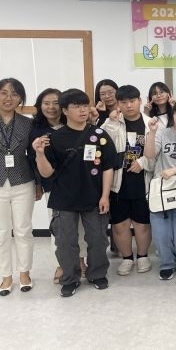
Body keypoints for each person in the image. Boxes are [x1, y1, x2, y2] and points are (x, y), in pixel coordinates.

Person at [33, 88, 116, 297]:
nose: (82, 110)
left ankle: (97, 274)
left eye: (84, 105)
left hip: (94, 197)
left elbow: (108, 167)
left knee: (98, 238)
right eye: (76, 106)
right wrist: (40, 154)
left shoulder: (99, 135)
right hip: (63, 198)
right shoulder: (54, 138)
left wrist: (105, 195)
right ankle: (70, 278)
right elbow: (47, 172)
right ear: (65, 111)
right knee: (65, 242)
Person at [28, 88, 87, 284]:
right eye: (46, 103)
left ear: (63, 107)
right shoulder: (35, 130)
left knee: (80, 227)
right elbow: (32, 160)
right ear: (40, 106)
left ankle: (80, 261)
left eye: (55, 103)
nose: (51, 107)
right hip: (52, 185)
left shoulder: (74, 124)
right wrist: (37, 183)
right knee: (58, 228)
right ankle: (62, 264)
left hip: (78, 183)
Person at [101, 85, 154, 276]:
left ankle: (143, 256)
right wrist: (111, 122)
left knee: (142, 223)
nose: (129, 105)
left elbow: (158, 154)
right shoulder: (112, 122)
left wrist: (143, 162)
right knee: (120, 224)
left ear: (140, 101)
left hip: (142, 181)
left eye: (132, 101)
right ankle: (127, 258)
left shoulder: (150, 123)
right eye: (124, 102)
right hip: (118, 182)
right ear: (118, 104)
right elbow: (102, 144)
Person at [144, 98, 176, 281]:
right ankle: (166, 264)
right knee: (160, 232)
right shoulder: (162, 133)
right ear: (172, 115)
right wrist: (151, 133)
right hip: (161, 189)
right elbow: (149, 155)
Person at [0, 78, 37, 296]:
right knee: (1, 232)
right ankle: (6, 275)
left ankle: (24, 273)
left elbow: (33, 155)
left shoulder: (27, 123)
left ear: (21, 98)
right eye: (4, 93)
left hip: (23, 180)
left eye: (14, 94)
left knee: (23, 229)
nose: (8, 98)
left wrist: (39, 184)